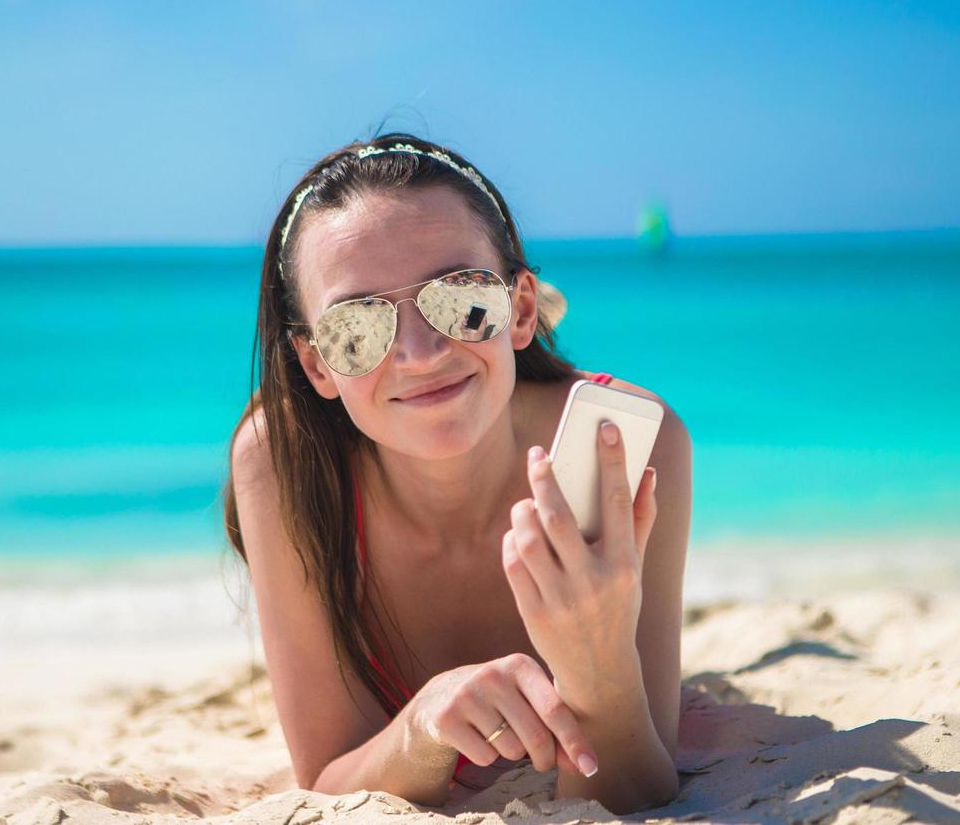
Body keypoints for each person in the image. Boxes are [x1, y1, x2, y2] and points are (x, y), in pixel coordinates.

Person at [221, 132, 692, 814]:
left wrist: (600, 674)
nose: (420, 352)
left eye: (461, 297)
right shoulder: (281, 465)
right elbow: (324, 777)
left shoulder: (627, 447)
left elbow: (641, 788)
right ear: (317, 364)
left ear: (522, 310)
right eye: (359, 326)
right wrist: (423, 724)